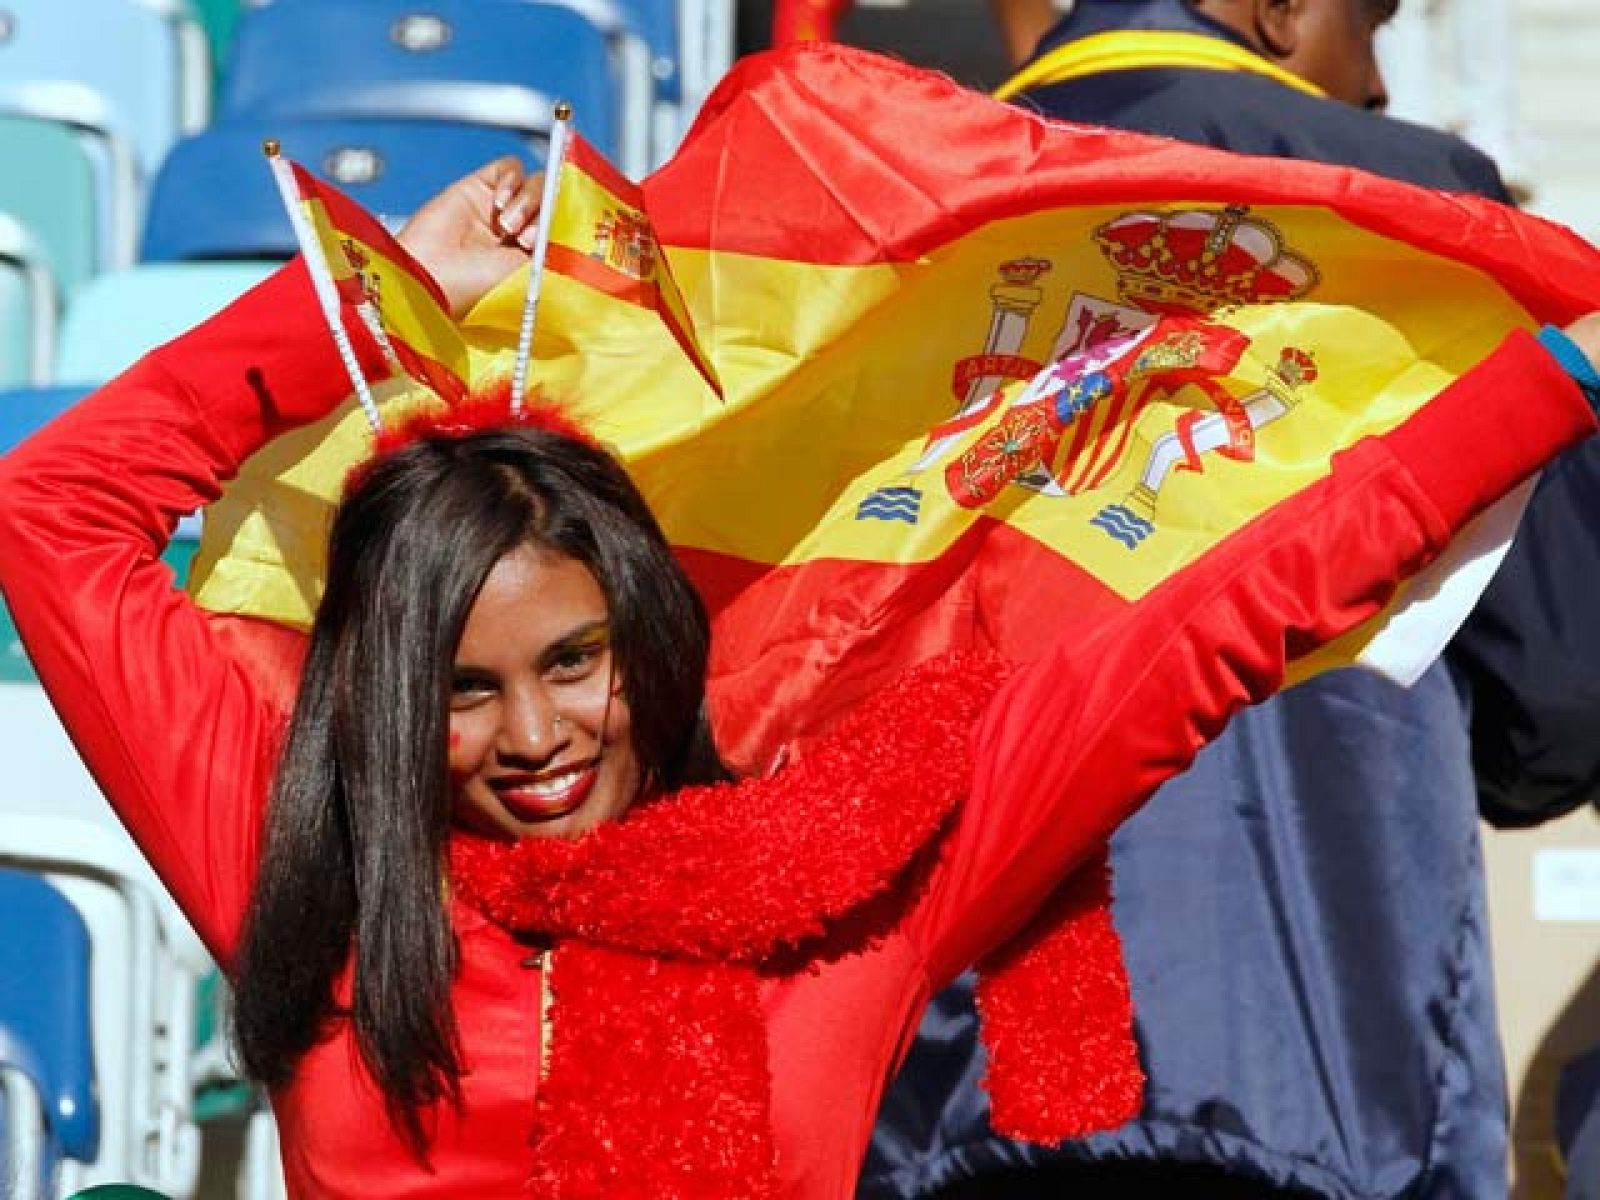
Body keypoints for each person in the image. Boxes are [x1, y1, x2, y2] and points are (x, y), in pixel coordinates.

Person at [2, 153, 1599, 1199]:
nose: (540, 736)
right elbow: (47, 511)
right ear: (390, 709)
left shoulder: (858, 881)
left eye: (577, 662)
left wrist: (1554, 378)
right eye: (466, 691)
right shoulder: (307, 866)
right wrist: (383, 283)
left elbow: (1205, 632)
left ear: (650, 636)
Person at [862, 2, 1600, 1197]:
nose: (1372, 87)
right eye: (1371, 26)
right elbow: (1559, 694)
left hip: (947, 1080)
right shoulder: (1418, 206)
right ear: (1279, 7)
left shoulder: (890, 197)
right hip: (1333, 1059)